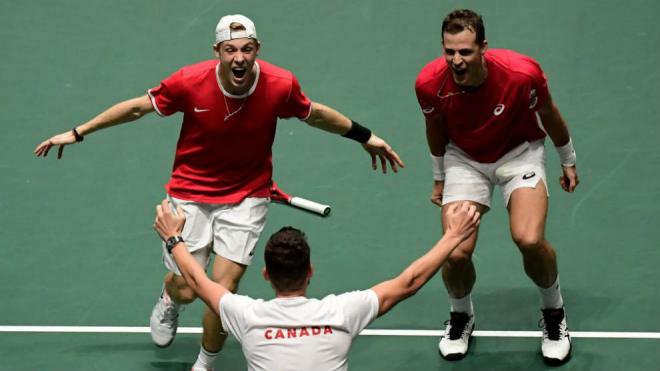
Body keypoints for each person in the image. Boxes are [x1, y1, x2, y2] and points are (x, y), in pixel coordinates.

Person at [34, 14, 405, 371]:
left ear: (257, 48)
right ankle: (170, 300)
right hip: (190, 192)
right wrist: (79, 131)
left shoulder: (280, 84)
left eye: (247, 49)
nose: (239, 58)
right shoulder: (188, 81)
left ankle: (205, 362)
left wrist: (365, 137)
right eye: (231, 50)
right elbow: (136, 108)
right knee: (186, 288)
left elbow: (317, 114)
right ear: (218, 51)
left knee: (223, 289)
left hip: (248, 194)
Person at [414, 9, 579, 365]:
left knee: (529, 239)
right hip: (465, 159)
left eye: (465, 52)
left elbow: (548, 113)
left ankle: (554, 313)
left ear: (483, 47)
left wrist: (567, 158)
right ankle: (461, 315)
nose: (457, 60)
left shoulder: (521, 74)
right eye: (449, 51)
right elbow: (436, 129)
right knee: (455, 251)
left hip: (519, 153)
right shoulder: (429, 83)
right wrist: (440, 174)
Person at [153, 198, 480, 370]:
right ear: (310, 271)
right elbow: (409, 282)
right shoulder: (342, 312)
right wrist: (453, 235)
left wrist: (174, 238)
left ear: (266, 275)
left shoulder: (245, 315)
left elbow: (197, 279)